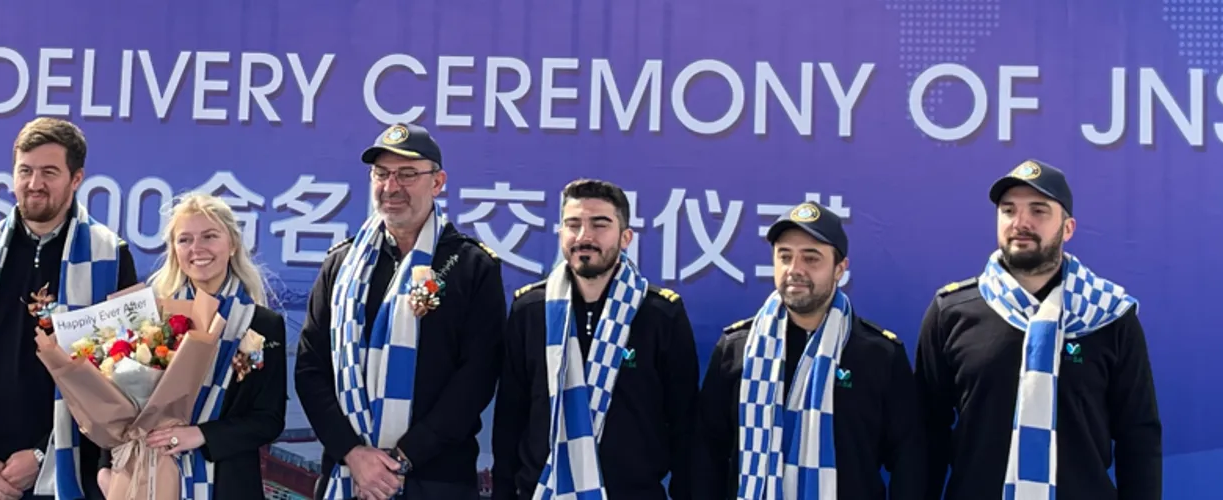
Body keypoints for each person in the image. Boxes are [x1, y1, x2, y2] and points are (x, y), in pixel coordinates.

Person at [0, 117, 141, 500]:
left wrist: (42, 453)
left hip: (68, 470)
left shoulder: (110, 255)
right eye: (25, 171)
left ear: (76, 179)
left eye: (49, 172)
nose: (34, 184)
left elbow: (122, 381)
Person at [917, 160, 1158, 500]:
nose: (1021, 223)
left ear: (1068, 228)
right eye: (1008, 210)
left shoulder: (1109, 315)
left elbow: (1138, 435)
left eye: (1039, 210)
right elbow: (927, 433)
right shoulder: (952, 312)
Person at [294, 122, 505, 500]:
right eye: (382, 174)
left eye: (407, 174)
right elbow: (311, 368)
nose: (391, 187)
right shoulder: (341, 266)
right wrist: (354, 454)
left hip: (437, 478)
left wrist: (401, 460)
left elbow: (477, 378)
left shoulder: (471, 266)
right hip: (349, 475)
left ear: (437, 182)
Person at [689, 202, 924, 499]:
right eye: (785, 256)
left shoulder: (879, 354)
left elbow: (909, 461)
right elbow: (706, 454)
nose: (795, 270)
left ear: (840, 269)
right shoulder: (738, 350)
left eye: (811, 258)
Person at [493, 180, 697, 500]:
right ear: (560, 233)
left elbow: (685, 425)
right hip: (542, 491)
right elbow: (509, 418)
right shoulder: (530, 310)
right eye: (573, 225)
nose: (584, 236)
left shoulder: (660, 314)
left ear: (625, 237)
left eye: (600, 225)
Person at [86, 193, 289, 499]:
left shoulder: (262, 324)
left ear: (232, 244)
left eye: (210, 236)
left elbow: (268, 419)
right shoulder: (149, 318)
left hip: (228, 485)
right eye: (185, 240)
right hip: (148, 477)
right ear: (174, 250)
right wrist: (104, 466)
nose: (197, 249)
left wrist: (201, 435)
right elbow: (116, 402)